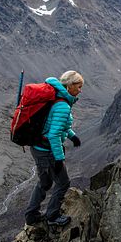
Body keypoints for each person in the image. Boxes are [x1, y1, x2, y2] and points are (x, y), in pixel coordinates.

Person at [24, 70, 83, 226]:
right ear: (69, 86)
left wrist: (72, 136)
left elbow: (56, 125)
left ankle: (31, 215)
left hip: (37, 147)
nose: (80, 90)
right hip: (47, 151)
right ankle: (52, 216)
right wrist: (59, 158)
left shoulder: (55, 96)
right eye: (78, 86)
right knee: (63, 183)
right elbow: (54, 134)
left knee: (44, 182)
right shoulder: (62, 105)